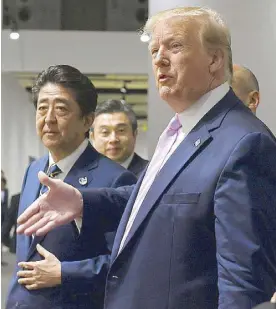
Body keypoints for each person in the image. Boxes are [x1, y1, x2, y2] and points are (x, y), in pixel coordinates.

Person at [17, 7, 276, 309]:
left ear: (215, 60)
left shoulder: (245, 142)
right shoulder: (183, 129)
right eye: (154, 49)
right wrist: (83, 202)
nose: (159, 58)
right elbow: (154, 200)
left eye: (175, 46)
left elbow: (243, 285)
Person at [6, 65, 136, 309]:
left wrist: (64, 272)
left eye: (61, 109)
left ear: (87, 120)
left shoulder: (117, 180)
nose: (48, 119)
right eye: (42, 108)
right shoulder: (34, 171)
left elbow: (128, 263)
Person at [91, 99, 148, 177]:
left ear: (134, 134)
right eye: (105, 132)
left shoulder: (150, 174)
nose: (113, 139)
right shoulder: (79, 173)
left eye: (121, 130)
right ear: (92, 137)